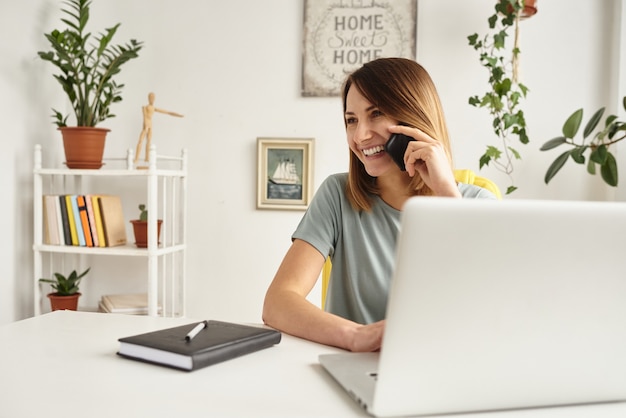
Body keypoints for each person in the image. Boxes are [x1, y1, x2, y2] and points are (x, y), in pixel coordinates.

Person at [262, 58, 496, 352]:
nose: (360, 136)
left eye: (376, 114)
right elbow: (278, 302)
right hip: (353, 366)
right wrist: (357, 336)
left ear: (414, 116)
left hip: (443, 367)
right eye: (351, 120)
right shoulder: (337, 194)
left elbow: (487, 307)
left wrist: (445, 190)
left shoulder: (478, 203)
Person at [134, 92, 184, 164]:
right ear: (148, 98)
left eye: (153, 98)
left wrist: (179, 115)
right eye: (151, 98)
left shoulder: (154, 108)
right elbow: (144, 116)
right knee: (141, 140)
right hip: (146, 125)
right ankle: (136, 158)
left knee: (149, 142)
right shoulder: (145, 107)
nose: (152, 99)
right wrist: (146, 126)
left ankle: (147, 158)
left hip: (150, 125)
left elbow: (167, 112)